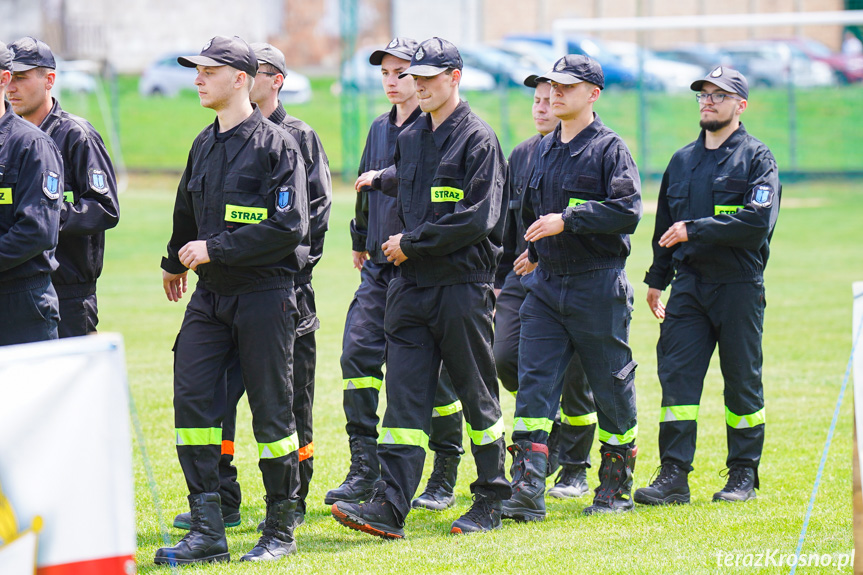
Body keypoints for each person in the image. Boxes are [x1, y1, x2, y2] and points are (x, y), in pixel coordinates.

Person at [331, 37, 510, 537]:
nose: (421, 86)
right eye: (417, 77)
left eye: (431, 78)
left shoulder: (479, 139)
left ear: (455, 78)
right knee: (405, 402)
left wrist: (413, 242)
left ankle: (492, 497)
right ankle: (390, 506)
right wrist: (379, 185)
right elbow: (409, 183)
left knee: (476, 395)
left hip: (460, 287)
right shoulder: (409, 138)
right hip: (407, 288)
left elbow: (478, 218)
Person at [154, 35, 309, 565]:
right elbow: (184, 208)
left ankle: (281, 529)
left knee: (271, 414)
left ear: (240, 78)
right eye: (196, 71)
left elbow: (290, 226)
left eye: (208, 71)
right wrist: (176, 261)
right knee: (192, 402)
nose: (198, 79)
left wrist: (214, 247)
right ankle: (207, 528)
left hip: (265, 295)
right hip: (210, 296)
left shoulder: (277, 145)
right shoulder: (204, 143)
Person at [502, 54, 641, 520]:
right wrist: (535, 252)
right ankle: (526, 490)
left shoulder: (609, 149)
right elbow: (532, 210)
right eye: (550, 87)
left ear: (593, 94)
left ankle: (614, 487)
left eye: (566, 86)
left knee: (610, 385)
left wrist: (569, 220)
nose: (555, 94)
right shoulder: (540, 150)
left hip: (597, 284)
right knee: (534, 386)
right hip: (545, 287)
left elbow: (628, 211)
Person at [634, 67, 780, 506]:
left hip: (738, 286)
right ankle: (674, 475)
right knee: (677, 382)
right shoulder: (682, 162)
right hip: (690, 288)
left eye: (720, 95)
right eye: (703, 94)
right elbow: (665, 226)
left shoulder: (758, 158)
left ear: (741, 105)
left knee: (741, 383)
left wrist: (694, 229)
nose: (709, 101)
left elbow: (755, 223)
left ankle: (742, 476)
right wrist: (657, 280)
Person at [493, 73, 597, 507]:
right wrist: (500, 280)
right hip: (523, 276)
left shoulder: (592, 150)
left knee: (576, 372)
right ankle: (547, 427)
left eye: (548, 98)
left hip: (576, 276)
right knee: (503, 357)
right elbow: (507, 223)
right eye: (536, 99)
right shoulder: (521, 155)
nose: (541, 106)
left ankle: (574, 466)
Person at [8, 37, 119, 338]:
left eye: (21, 77)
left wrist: (44, 216)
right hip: (18, 286)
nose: (11, 87)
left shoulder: (76, 136)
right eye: (7, 78)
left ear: (49, 80)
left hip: (68, 292)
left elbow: (106, 208)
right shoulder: (10, 140)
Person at [0, 40, 64, 347]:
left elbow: (36, 230)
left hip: (19, 302)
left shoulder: (30, 145)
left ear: (3, 79)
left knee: (25, 396)